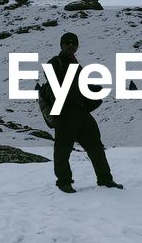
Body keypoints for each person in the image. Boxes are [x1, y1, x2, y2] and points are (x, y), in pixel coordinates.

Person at [46, 33, 122, 193]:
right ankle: (64, 182)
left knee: (96, 147)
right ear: (61, 45)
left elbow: (80, 87)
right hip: (65, 113)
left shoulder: (78, 67)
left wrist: (92, 89)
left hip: (82, 113)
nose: (70, 45)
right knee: (62, 149)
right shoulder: (56, 62)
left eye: (73, 43)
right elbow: (53, 80)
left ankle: (105, 179)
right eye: (66, 43)